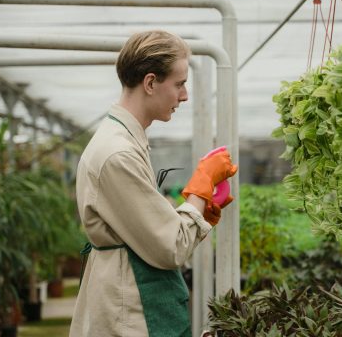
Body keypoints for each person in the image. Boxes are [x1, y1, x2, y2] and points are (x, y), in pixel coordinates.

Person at [69, 30, 238, 337]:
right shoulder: (117, 154)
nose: (184, 96)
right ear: (150, 83)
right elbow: (169, 247)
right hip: (130, 311)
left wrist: (198, 211)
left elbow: (150, 231)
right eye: (179, 84)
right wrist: (201, 185)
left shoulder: (125, 140)